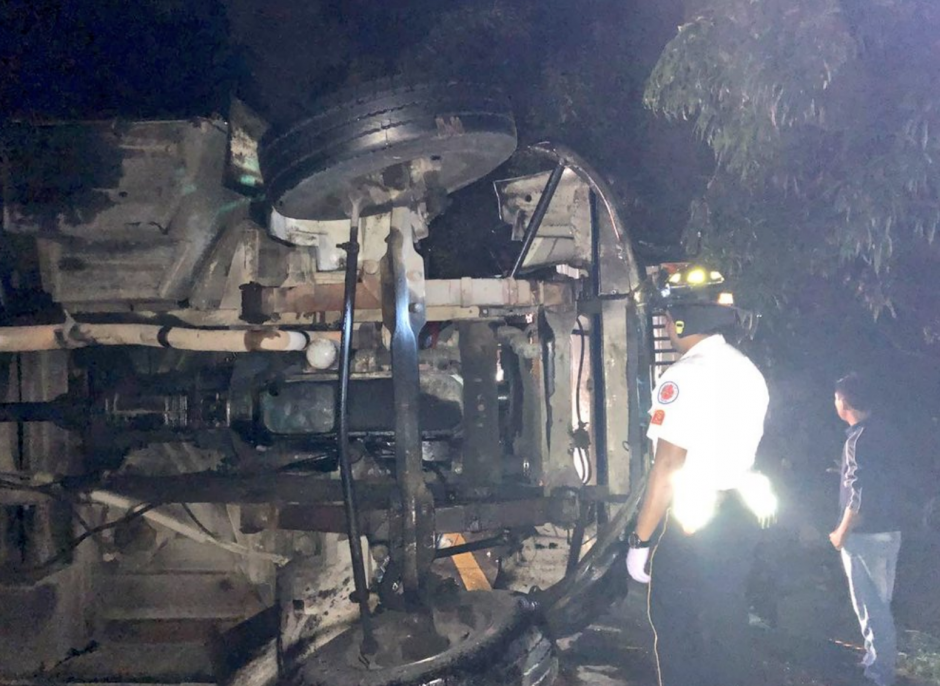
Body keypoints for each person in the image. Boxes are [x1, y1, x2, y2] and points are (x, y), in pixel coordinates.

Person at [625, 301, 770, 686]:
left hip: (697, 518)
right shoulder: (747, 369)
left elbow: (668, 463)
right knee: (726, 623)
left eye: (669, 321)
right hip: (739, 512)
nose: (667, 328)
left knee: (677, 624)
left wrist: (640, 540)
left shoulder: (684, 374)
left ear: (682, 323)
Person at [831, 372, 904, 686]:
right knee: (880, 603)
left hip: (865, 537)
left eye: (836, 398)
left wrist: (841, 532)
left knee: (871, 607)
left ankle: (879, 675)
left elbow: (859, 494)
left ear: (845, 402)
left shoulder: (857, 439)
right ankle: (876, 661)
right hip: (890, 531)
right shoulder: (884, 432)